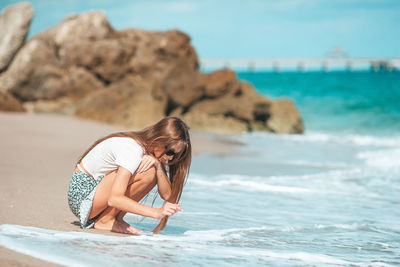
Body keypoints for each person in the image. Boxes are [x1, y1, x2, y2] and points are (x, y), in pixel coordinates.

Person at [67, 117, 192, 235]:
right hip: (82, 195)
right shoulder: (133, 150)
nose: (170, 158)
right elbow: (114, 199)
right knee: (148, 173)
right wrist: (156, 212)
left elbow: (167, 195)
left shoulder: (149, 155)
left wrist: (158, 166)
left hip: (93, 194)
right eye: (170, 152)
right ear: (158, 140)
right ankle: (106, 220)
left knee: (152, 171)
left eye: (176, 155)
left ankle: (113, 218)